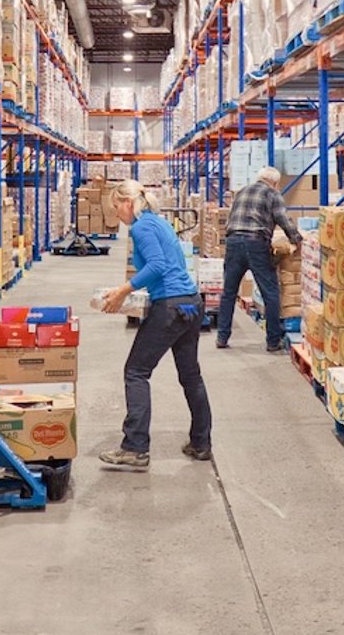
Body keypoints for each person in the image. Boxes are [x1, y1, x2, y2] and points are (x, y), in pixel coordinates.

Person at [98, 180, 213, 468]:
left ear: (128, 202)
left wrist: (124, 290)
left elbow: (158, 265)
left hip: (171, 308)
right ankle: (201, 442)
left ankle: (135, 447)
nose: (118, 214)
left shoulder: (141, 227)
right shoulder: (159, 223)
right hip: (190, 303)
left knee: (136, 371)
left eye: (116, 207)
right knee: (190, 375)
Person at [216, 166, 302, 353]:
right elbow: (283, 219)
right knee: (270, 292)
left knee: (229, 292)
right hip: (256, 243)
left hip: (233, 241)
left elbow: (232, 218)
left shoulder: (241, 191)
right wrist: (297, 239)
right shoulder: (272, 194)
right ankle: (273, 341)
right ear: (275, 183)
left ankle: (222, 337)